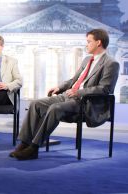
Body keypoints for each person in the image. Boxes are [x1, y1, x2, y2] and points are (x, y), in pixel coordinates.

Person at [10, 28, 120, 160]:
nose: (86, 44)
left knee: (55, 109)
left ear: (98, 43)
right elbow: (74, 80)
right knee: (35, 104)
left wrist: (78, 92)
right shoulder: (87, 60)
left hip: (86, 102)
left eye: (89, 41)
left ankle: (34, 148)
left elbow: (105, 89)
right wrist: (59, 87)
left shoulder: (111, 63)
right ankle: (24, 143)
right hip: (69, 96)